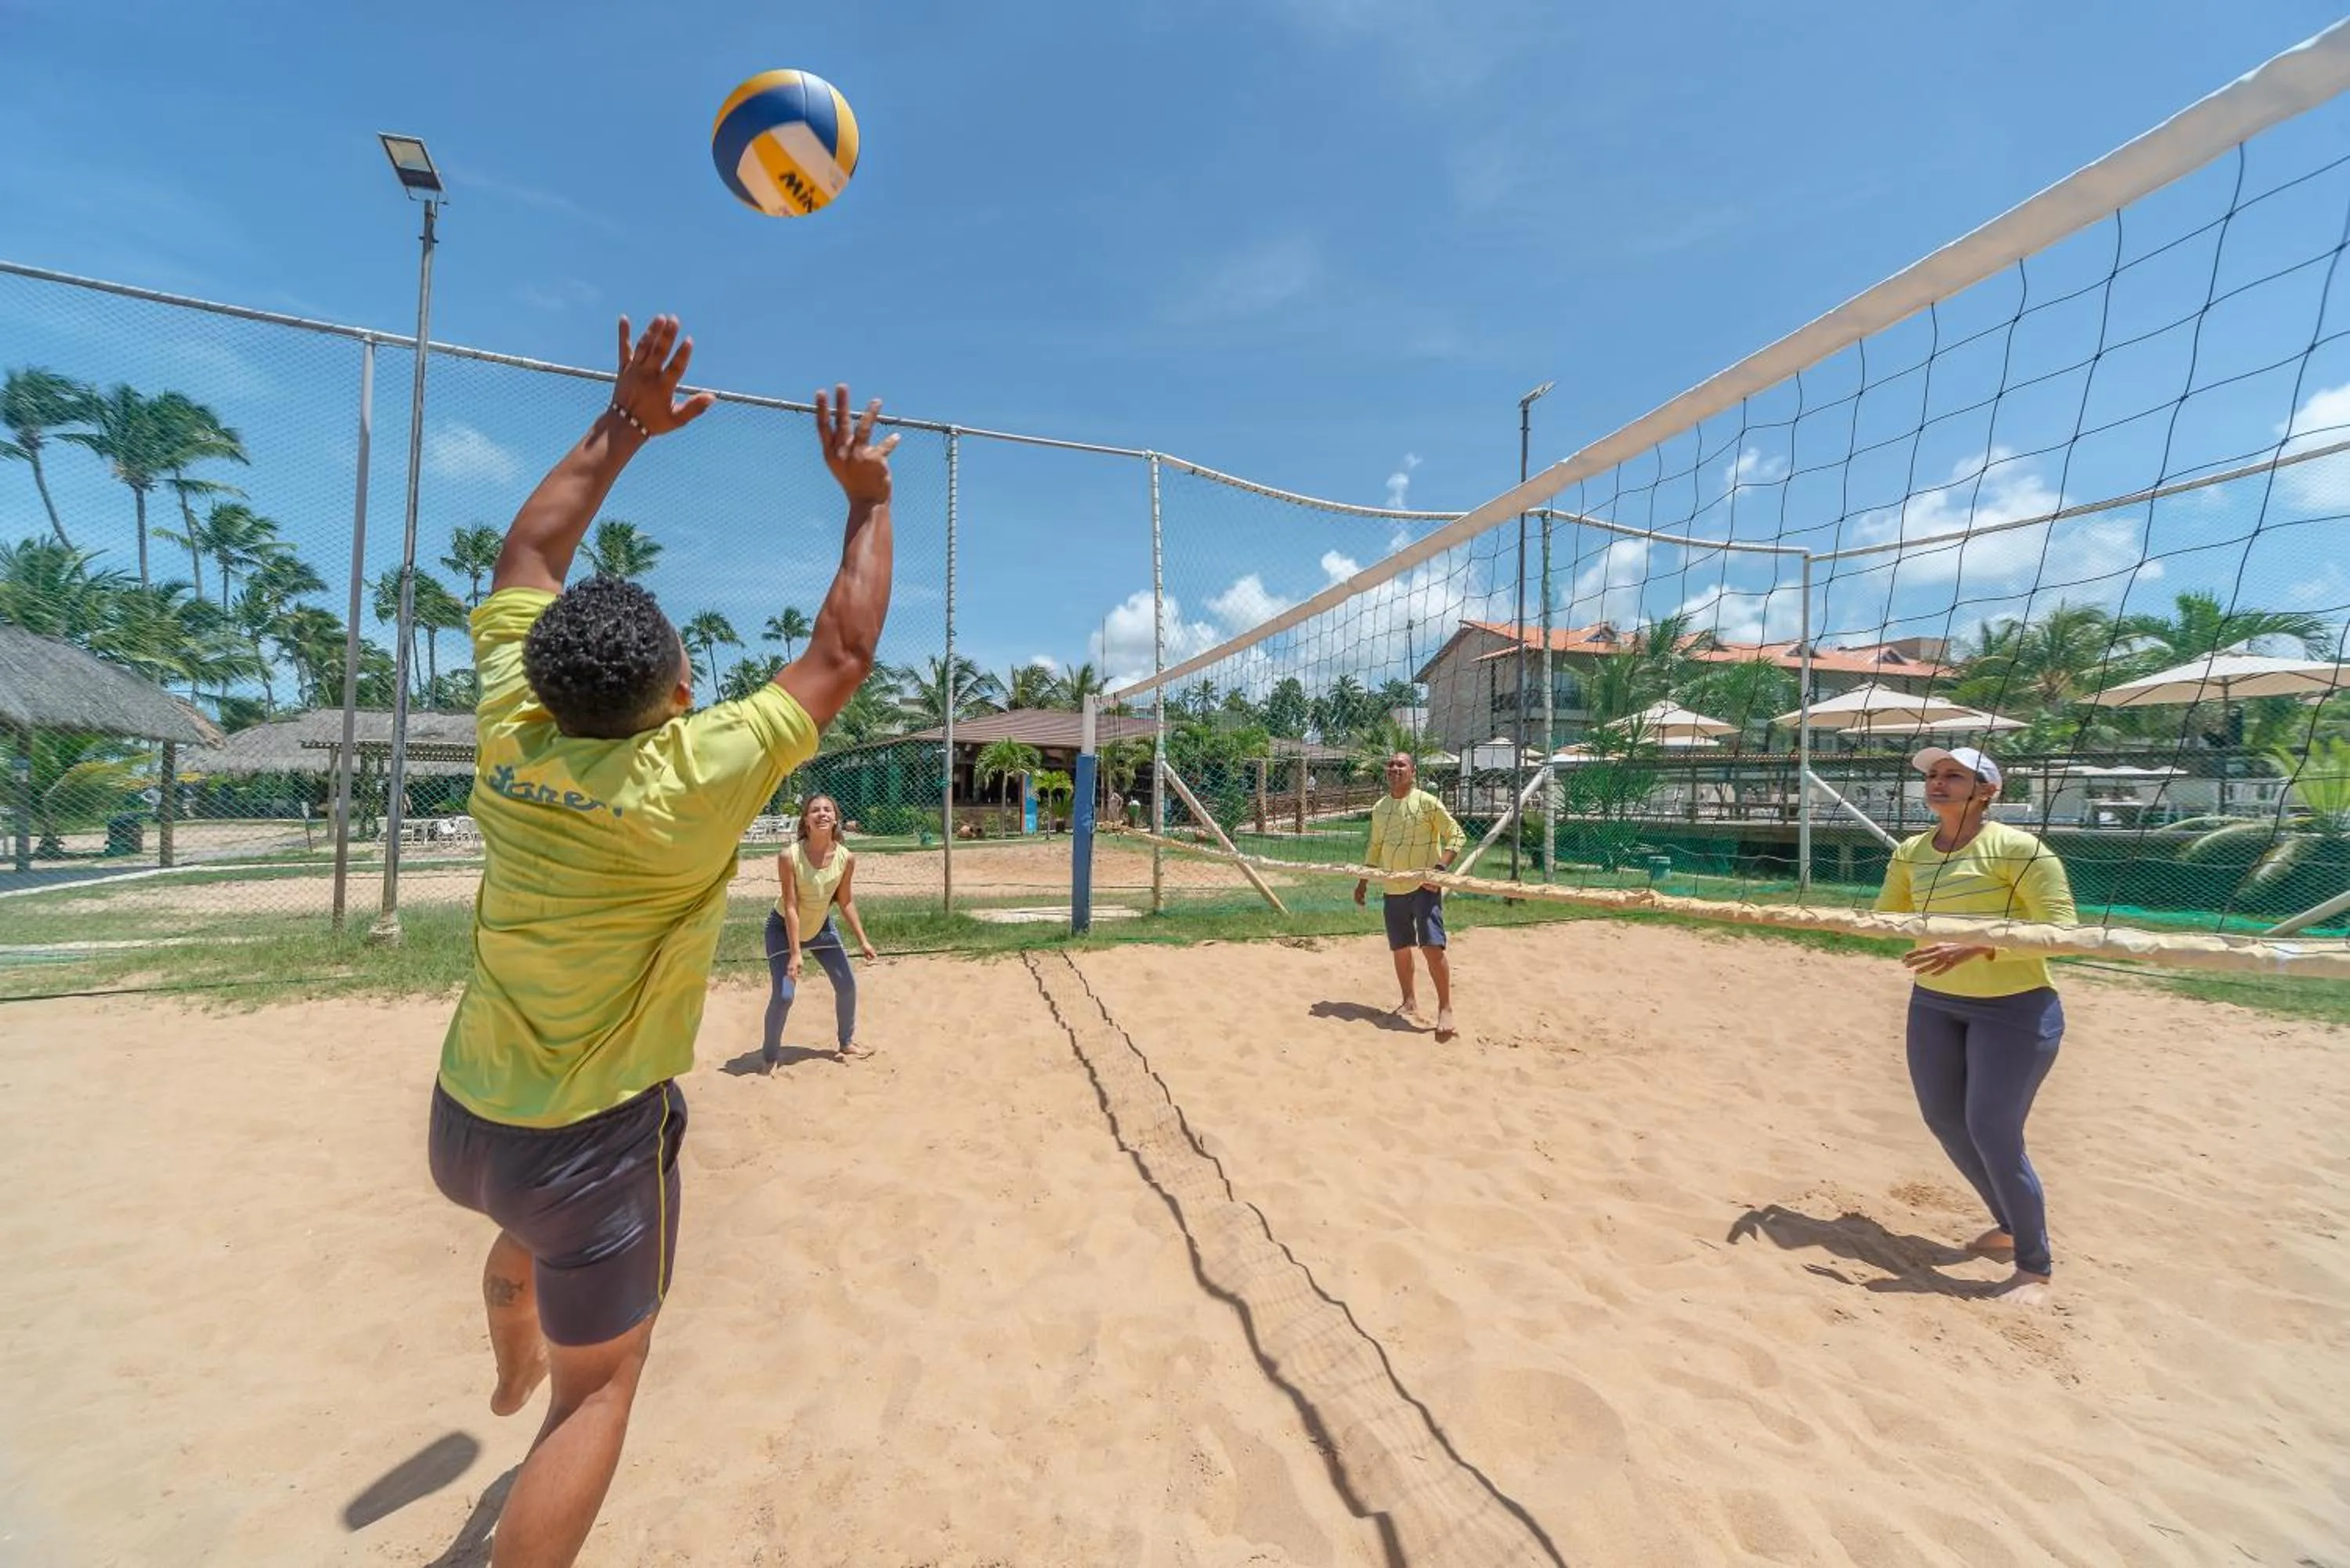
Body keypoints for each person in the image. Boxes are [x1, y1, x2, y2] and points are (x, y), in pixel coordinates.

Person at [425, 313, 897, 1568]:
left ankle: (511, 1349)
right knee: (605, 1391)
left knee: (522, 1244)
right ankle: (546, 1372)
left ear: (544, 674)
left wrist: (625, 421)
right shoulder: (693, 778)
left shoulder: (511, 724)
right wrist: (867, 500)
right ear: (678, 698)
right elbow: (842, 650)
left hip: (466, 1117)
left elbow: (530, 544)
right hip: (585, 1139)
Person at [1875, 745, 2077, 1307]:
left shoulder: (2018, 849)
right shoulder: (1913, 850)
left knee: (1992, 1129)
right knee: (1944, 1118)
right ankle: (2009, 1223)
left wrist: (1975, 944)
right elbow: (1888, 916)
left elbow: (2061, 930)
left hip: (2016, 1007)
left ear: (1987, 790)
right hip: (1934, 1002)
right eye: (1933, 776)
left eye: (1953, 776)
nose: (1937, 783)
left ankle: (2033, 1268)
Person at [1352, 750, 1466, 1039]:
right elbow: (1375, 847)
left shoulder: (1427, 803)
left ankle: (1445, 1008)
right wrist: (1363, 882)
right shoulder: (1381, 808)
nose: (1394, 768)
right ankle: (1409, 1000)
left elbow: (1456, 835)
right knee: (1400, 948)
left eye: (1401, 764)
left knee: (1431, 947)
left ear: (1412, 772)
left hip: (1423, 886)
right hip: (1392, 888)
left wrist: (1439, 869)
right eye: (1390, 764)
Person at [762, 793, 878, 1067]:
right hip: (783, 928)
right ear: (806, 820)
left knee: (847, 984)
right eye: (815, 810)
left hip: (821, 927)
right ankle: (769, 1058)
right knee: (784, 995)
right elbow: (791, 906)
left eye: (828, 810)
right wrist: (795, 953)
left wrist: (863, 941)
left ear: (836, 818)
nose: (822, 814)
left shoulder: (846, 858)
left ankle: (847, 1043)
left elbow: (845, 901)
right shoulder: (789, 856)